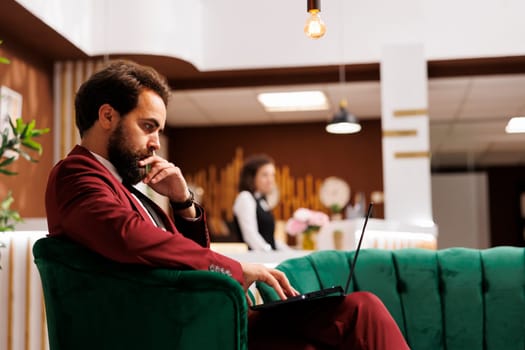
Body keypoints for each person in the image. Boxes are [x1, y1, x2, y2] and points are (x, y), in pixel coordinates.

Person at [45, 59, 409, 350]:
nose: (156, 143)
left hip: (200, 315)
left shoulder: (124, 188)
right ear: (107, 116)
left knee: (358, 312)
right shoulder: (77, 174)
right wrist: (235, 268)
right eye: (148, 126)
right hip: (172, 327)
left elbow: (185, 254)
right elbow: (127, 237)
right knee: (361, 312)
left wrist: (183, 201)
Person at [232, 154, 290, 251]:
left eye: (272, 175)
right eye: (265, 175)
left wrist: (289, 252)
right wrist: (270, 254)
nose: (270, 180)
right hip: (256, 261)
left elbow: (268, 237)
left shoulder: (262, 199)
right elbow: (250, 236)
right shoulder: (245, 198)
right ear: (251, 177)